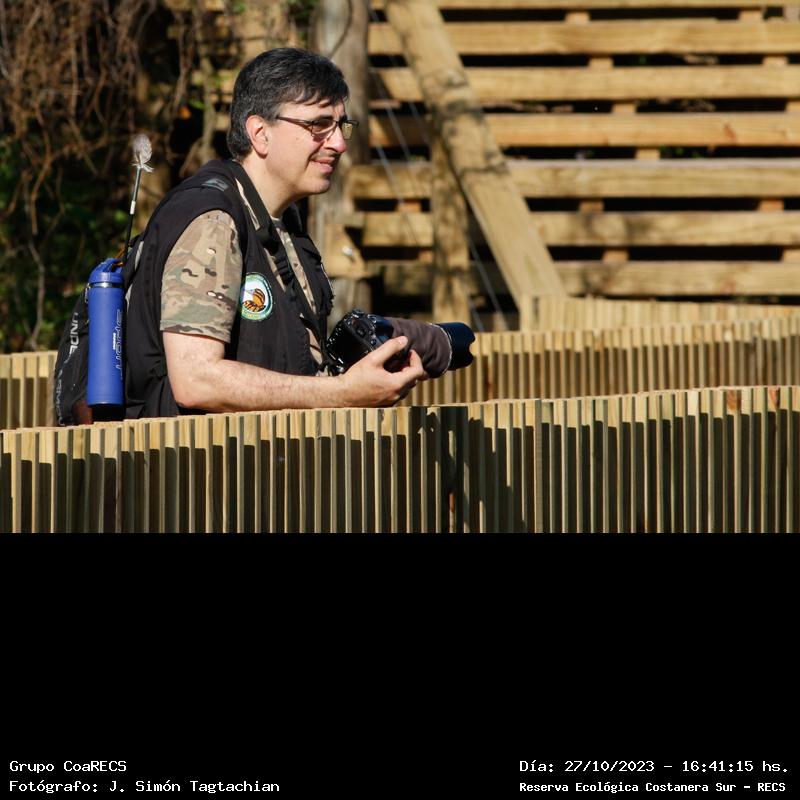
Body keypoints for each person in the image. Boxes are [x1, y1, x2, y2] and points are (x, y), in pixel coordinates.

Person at [124, 47, 431, 419]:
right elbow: (196, 380)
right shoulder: (213, 221)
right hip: (191, 456)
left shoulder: (282, 222)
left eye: (341, 126)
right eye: (318, 125)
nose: (338, 143)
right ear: (260, 133)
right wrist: (342, 393)